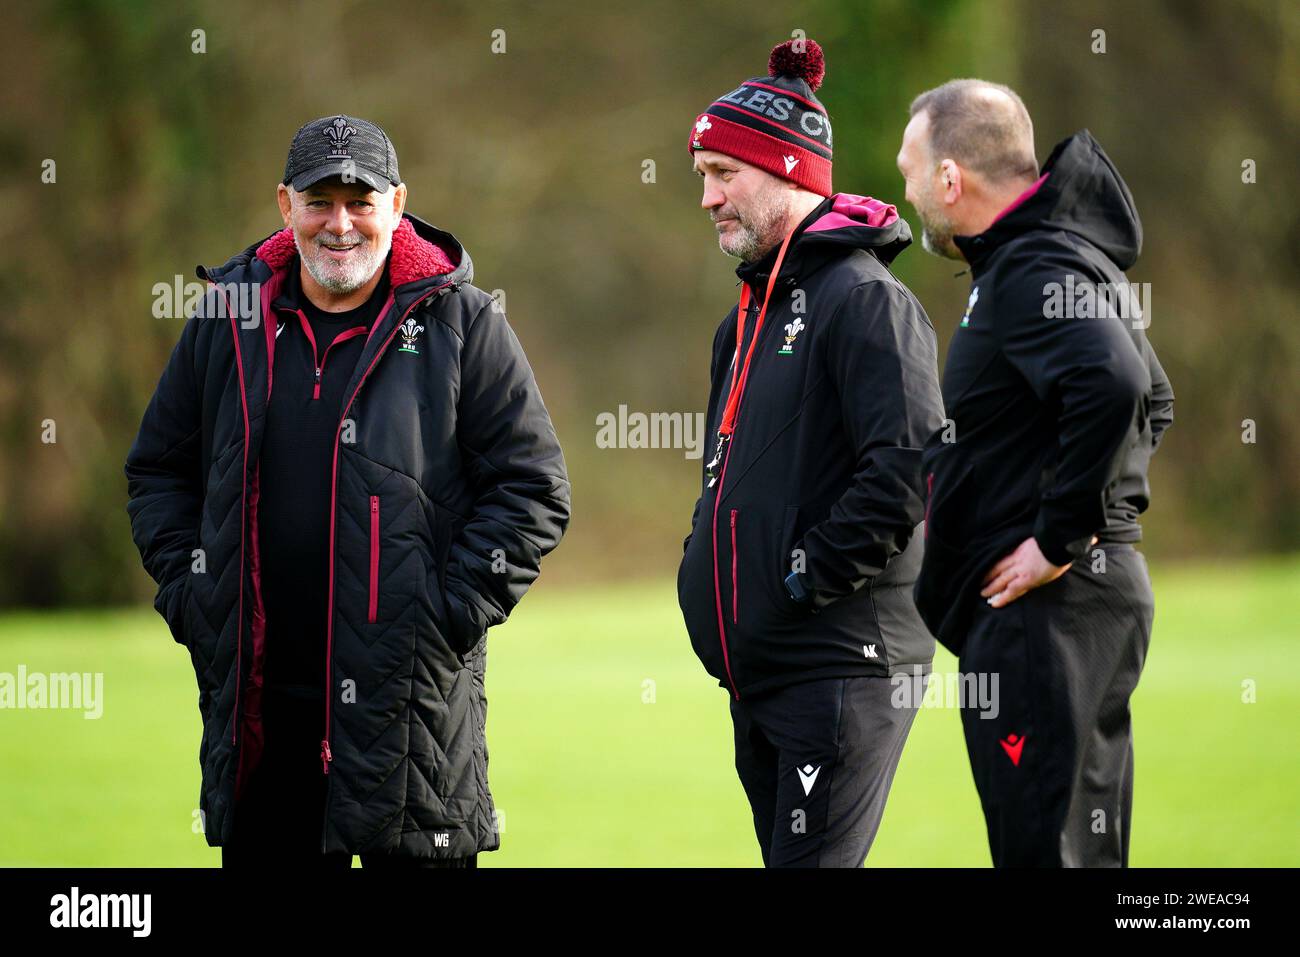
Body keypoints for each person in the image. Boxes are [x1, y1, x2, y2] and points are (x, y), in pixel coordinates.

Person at [125, 114, 570, 868]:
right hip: (263, 722)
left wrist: (450, 611)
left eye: (360, 201)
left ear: (397, 205)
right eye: (319, 200)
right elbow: (158, 473)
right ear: (284, 205)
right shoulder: (227, 320)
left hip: (412, 724)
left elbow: (533, 488)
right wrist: (194, 595)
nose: (340, 224)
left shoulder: (463, 323)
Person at [678, 40, 945, 867]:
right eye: (702, 176)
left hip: (839, 668)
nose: (708, 196)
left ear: (790, 169)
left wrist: (802, 578)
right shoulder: (744, 320)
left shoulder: (865, 301)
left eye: (725, 172)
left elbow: (907, 469)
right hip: (761, 676)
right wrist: (706, 575)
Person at [896, 80, 1174, 866]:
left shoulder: (1030, 268)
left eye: (910, 171)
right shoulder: (1057, 258)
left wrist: (1062, 534)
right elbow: (1156, 396)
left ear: (950, 179)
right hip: (1072, 612)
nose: (909, 194)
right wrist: (1100, 522)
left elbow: (1118, 385)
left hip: (1047, 620)